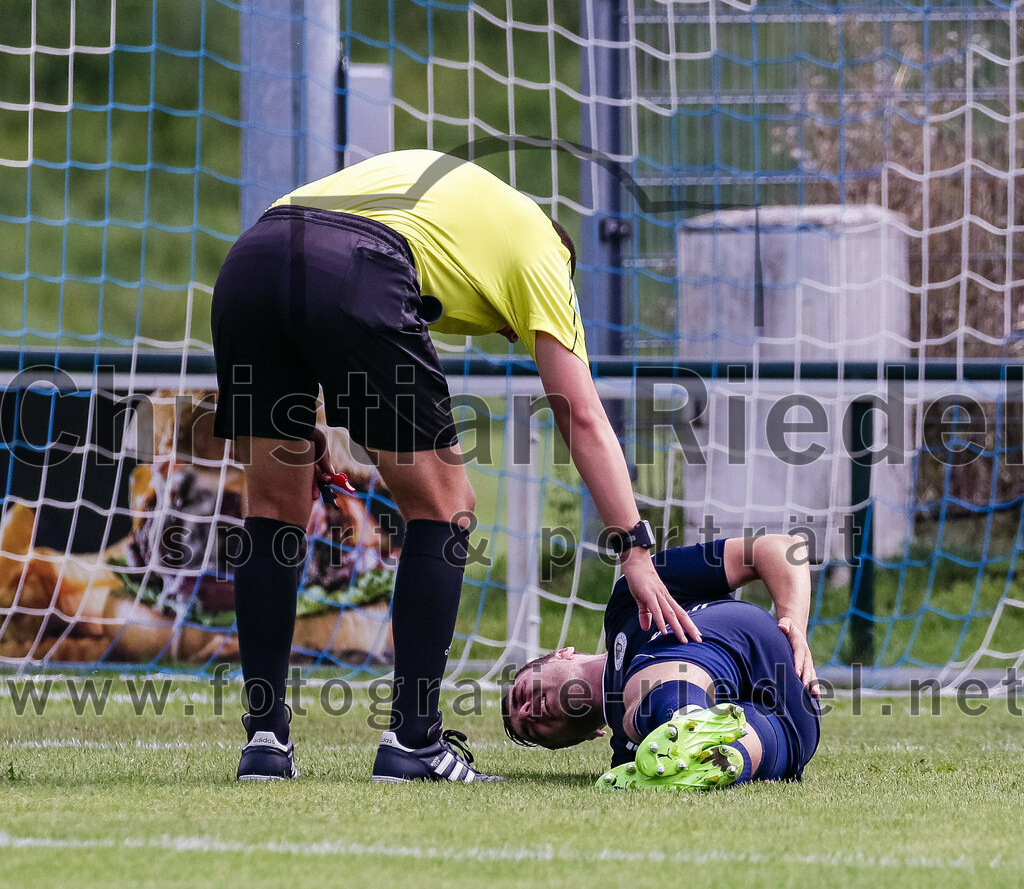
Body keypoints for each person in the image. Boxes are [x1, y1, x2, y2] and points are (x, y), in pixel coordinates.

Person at [211, 149, 699, 783]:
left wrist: (310, 427)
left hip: (251, 260)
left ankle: (265, 742)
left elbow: (304, 268)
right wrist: (634, 546)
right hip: (361, 267)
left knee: (273, 505)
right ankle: (414, 741)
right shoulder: (545, 256)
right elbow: (580, 414)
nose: (507, 336)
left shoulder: (460, 208)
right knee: (445, 506)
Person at [502, 533, 821, 790]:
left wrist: (794, 625)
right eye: (534, 733)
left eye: (521, 695)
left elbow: (780, 548)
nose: (529, 712)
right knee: (734, 749)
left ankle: (686, 718)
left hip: (752, 645)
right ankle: (722, 757)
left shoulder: (629, 599)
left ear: (562, 653)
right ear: (584, 738)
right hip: (795, 723)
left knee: (640, 703)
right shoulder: (629, 758)